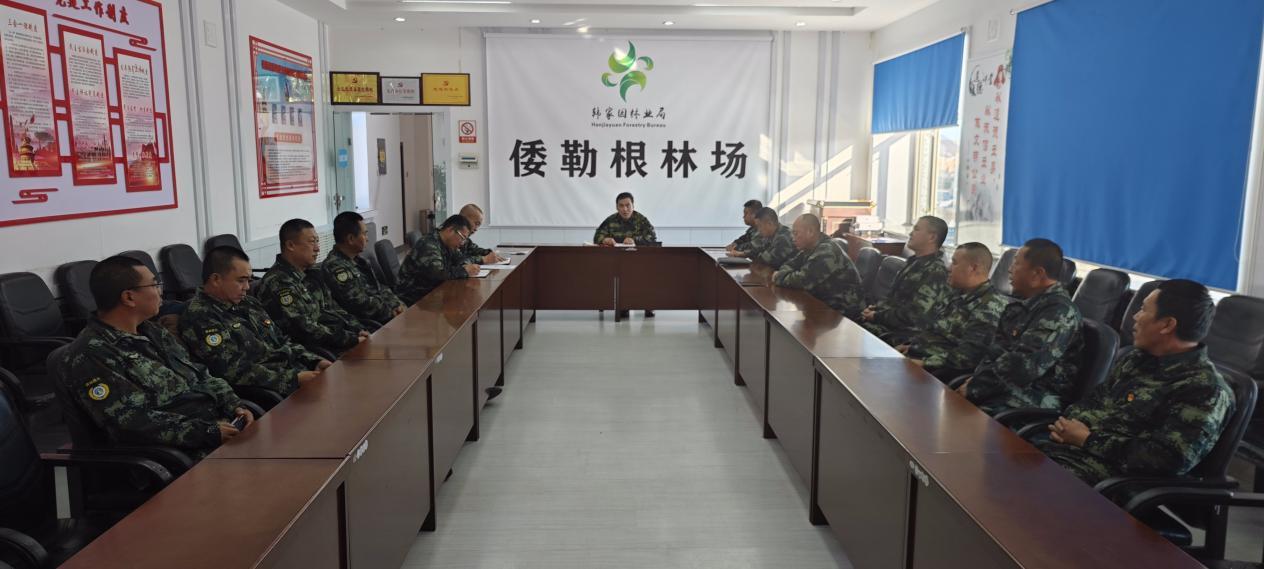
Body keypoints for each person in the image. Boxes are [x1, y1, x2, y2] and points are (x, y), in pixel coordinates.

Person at [1038, 280, 1234, 486]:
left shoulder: (1204, 389)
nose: (1135, 317)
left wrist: (1087, 439)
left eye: (1143, 310)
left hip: (1107, 481)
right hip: (1063, 451)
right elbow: (1092, 402)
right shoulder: (1136, 359)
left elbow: (1166, 460)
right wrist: (1067, 428)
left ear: (1167, 325)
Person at [58, 256, 252, 460]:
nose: (160, 291)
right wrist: (207, 432)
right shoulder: (91, 354)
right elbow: (131, 423)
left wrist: (234, 404)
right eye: (154, 284)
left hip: (218, 430)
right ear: (129, 297)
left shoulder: (153, 331)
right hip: (182, 454)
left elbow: (199, 374)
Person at [180, 246, 331, 397]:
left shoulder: (248, 303)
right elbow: (233, 371)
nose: (246, 287)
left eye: (248, 280)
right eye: (241, 280)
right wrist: (293, 379)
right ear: (216, 280)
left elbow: (281, 340)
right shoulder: (201, 316)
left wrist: (314, 361)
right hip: (271, 390)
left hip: (297, 374)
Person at [958, 238, 1083, 415]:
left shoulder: (1059, 312)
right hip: (1003, 389)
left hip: (1034, 399)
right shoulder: (1022, 306)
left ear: (1037, 273)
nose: (1010, 269)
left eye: (1016, 263)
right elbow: (995, 353)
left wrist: (976, 387)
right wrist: (975, 381)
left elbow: (1022, 367)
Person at [256, 218, 369, 355]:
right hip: (312, 352)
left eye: (317, 241)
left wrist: (358, 329)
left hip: (338, 341)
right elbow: (304, 329)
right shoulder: (278, 282)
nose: (317, 248)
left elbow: (333, 309)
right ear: (291, 245)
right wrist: (350, 339)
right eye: (311, 242)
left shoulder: (313, 274)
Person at [899, 243, 1009, 381]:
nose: (949, 268)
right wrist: (910, 346)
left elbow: (968, 355)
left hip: (936, 371)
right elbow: (934, 329)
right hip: (917, 356)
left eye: (954, 263)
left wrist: (924, 363)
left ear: (973, 268)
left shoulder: (990, 306)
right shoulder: (956, 293)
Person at [861, 216, 952, 343]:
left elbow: (916, 315)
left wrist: (877, 316)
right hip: (889, 324)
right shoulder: (914, 263)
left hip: (906, 335)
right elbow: (894, 300)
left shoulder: (935, 272)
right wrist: (875, 309)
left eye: (916, 229)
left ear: (932, 237)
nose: (910, 233)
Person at [772, 213, 865, 318]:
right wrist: (784, 273)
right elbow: (789, 264)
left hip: (845, 311)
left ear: (810, 232)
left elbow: (802, 280)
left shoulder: (826, 251)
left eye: (796, 233)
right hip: (826, 303)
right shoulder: (810, 247)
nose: (793, 238)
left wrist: (778, 276)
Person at [320, 211, 405, 327]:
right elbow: (359, 303)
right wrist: (390, 311)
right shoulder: (335, 267)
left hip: (384, 315)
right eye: (364, 234)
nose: (367, 239)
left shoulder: (359, 260)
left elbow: (380, 288)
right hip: (365, 325)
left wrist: (396, 304)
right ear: (350, 239)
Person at [396, 214, 480, 306]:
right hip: (413, 299)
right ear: (450, 230)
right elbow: (438, 275)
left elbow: (460, 259)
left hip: (432, 295)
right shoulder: (428, 244)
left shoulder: (448, 244)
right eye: (462, 237)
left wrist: (466, 265)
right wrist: (464, 270)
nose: (462, 243)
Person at [729, 207, 795, 267]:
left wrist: (746, 255)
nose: (758, 230)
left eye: (759, 226)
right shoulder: (770, 234)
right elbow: (758, 249)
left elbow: (767, 260)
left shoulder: (784, 236)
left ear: (769, 224)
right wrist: (743, 254)